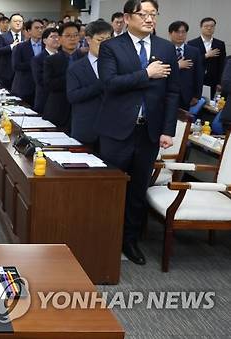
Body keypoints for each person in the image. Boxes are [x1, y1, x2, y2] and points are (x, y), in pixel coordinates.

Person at [96, 0, 179, 265]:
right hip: (116, 130)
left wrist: (168, 129)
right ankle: (104, 239)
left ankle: (130, 241)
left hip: (149, 132)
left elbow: (172, 92)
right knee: (110, 188)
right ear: (127, 17)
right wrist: (146, 73)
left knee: (138, 189)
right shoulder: (111, 47)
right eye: (143, 14)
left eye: (153, 14)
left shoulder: (166, 47)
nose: (149, 19)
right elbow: (109, 84)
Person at [67, 19, 112, 149]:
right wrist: (100, 85)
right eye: (100, 40)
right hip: (85, 129)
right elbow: (72, 96)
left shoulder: (119, 66)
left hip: (112, 131)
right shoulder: (75, 68)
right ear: (88, 39)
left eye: (108, 40)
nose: (105, 44)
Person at [43, 22, 84, 130]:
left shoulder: (86, 59)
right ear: (60, 39)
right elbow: (48, 84)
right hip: (57, 110)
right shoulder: (51, 60)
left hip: (81, 111)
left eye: (75, 35)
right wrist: (73, 77)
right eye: (68, 36)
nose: (72, 39)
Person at [168, 21, 204, 111]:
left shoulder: (194, 51)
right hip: (166, 93)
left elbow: (199, 74)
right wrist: (177, 66)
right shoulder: (163, 49)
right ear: (170, 33)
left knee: (182, 122)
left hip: (186, 95)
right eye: (177, 32)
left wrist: (197, 95)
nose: (180, 35)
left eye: (183, 32)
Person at [188, 17, 226, 97]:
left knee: (209, 105)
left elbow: (222, 64)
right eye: (206, 26)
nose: (209, 28)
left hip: (213, 80)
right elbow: (191, 62)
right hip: (196, 79)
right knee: (195, 103)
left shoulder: (220, 44)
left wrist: (220, 82)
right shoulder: (192, 43)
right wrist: (206, 55)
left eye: (212, 26)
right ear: (201, 27)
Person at [11, 19, 44, 104]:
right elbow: (16, 65)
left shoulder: (47, 46)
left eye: (41, 28)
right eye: (37, 28)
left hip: (42, 87)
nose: (40, 30)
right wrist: (35, 64)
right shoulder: (20, 47)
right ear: (29, 31)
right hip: (25, 86)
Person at [31, 27, 59, 114]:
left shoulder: (65, 57)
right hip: (45, 100)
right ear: (44, 41)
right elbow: (40, 81)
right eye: (52, 37)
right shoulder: (38, 59)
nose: (56, 39)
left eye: (58, 37)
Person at [0, 16, 13, 88]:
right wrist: (10, 47)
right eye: (3, 23)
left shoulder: (13, 37)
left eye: (7, 23)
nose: (5, 25)